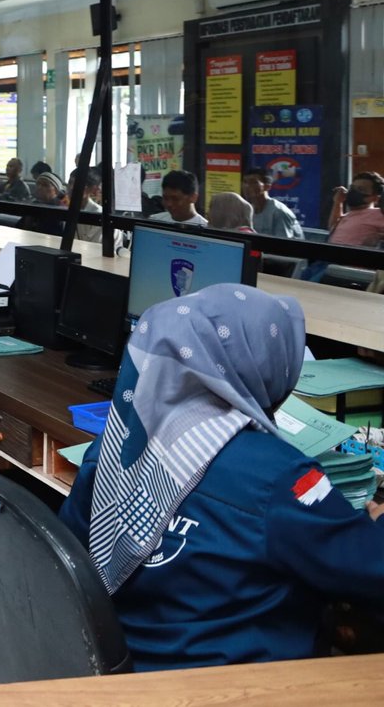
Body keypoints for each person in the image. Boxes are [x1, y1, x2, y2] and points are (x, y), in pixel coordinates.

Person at [60, 285, 384, 671]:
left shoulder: (112, 449)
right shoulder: (279, 477)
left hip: (119, 670)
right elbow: (370, 570)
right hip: (231, 685)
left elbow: (70, 559)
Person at [326, 171, 384, 248]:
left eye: (361, 189)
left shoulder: (378, 214)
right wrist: (338, 202)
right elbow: (332, 227)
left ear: (376, 198)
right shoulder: (349, 214)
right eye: (352, 188)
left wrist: (379, 237)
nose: (353, 192)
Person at [242, 168, 303, 240]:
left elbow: (284, 244)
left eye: (253, 182)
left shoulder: (279, 212)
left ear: (267, 187)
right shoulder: (247, 210)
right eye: (245, 182)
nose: (247, 186)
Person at [20, 171, 69, 236]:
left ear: (56, 190)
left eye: (45, 185)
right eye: (38, 184)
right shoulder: (34, 204)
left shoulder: (59, 208)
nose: (39, 187)